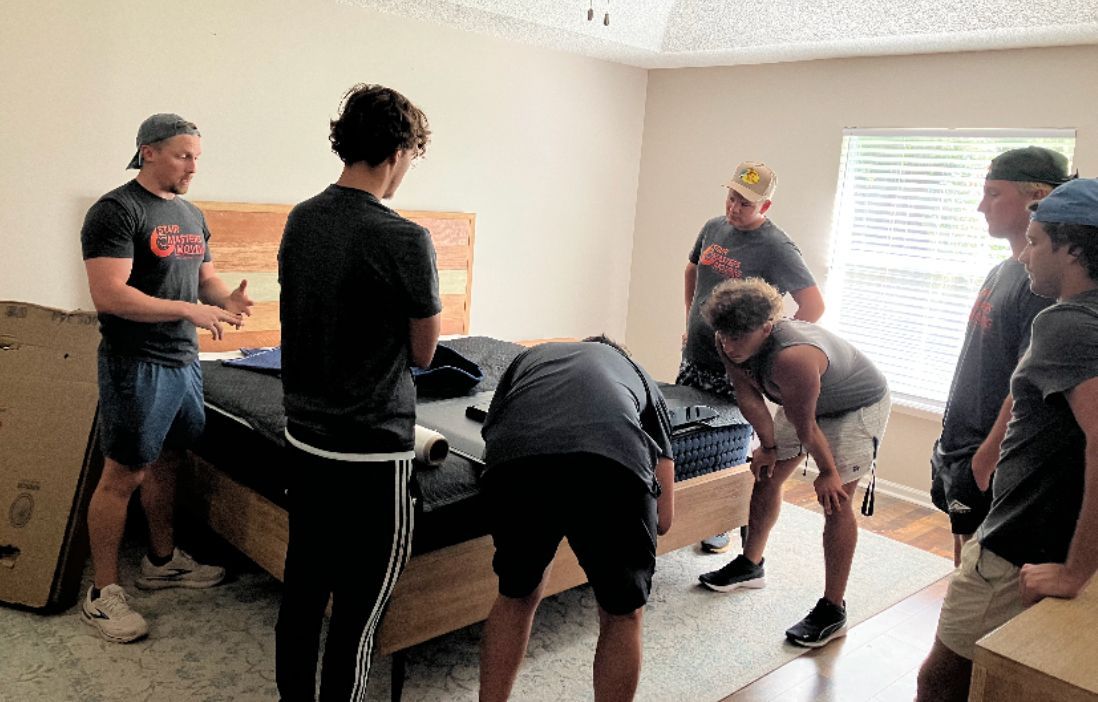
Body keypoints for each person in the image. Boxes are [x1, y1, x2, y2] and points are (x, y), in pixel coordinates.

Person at [275, 84, 439, 701]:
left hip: (305, 440)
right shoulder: (404, 238)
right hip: (372, 453)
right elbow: (424, 353)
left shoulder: (302, 218)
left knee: (301, 598)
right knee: (356, 620)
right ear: (398, 150)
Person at [916, 178, 1098, 702]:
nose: (1026, 256)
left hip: (1017, 546)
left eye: (1037, 242)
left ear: (1073, 249)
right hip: (1049, 537)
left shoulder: (1067, 323)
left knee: (940, 682)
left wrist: (1075, 571)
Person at [79, 113, 253, 643]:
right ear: (148, 152)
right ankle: (101, 594)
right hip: (136, 364)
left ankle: (161, 562)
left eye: (197, 155)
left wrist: (224, 299)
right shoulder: (116, 210)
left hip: (184, 362)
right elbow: (109, 293)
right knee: (123, 474)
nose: (193, 165)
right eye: (183, 154)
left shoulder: (192, 215)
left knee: (169, 461)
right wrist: (187, 310)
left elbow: (204, 277)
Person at [478, 337, 676, 702]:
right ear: (621, 353)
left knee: (516, 595)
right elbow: (665, 518)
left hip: (517, 463)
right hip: (611, 462)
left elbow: (493, 433)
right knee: (623, 614)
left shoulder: (530, 357)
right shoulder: (637, 372)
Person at [696, 278, 890, 648]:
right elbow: (748, 396)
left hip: (855, 407)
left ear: (767, 328)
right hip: (805, 406)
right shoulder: (726, 341)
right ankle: (751, 565)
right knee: (766, 475)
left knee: (835, 501)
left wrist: (829, 473)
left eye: (740, 336)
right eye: (725, 335)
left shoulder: (793, 358)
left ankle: (834, 608)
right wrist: (767, 445)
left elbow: (806, 426)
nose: (731, 344)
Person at [931, 147, 1069, 565]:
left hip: (990, 459)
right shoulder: (1003, 270)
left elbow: (1026, 385)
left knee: (980, 582)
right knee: (962, 569)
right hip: (960, 449)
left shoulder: (1043, 287)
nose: (980, 206)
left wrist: (984, 463)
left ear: (1037, 197)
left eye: (993, 194)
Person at [680, 161, 825, 553]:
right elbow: (693, 270)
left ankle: (721, 522)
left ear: (766, 206)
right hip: (696, 355)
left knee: (728, 444)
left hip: (738, 366)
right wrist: (688, 320)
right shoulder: (713, 228)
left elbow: (812, 305)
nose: (733, 208)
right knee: (688, 435)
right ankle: (684, 514)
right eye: (731, 198)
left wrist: (767, 349)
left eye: (744, 204)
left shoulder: (777, 247)